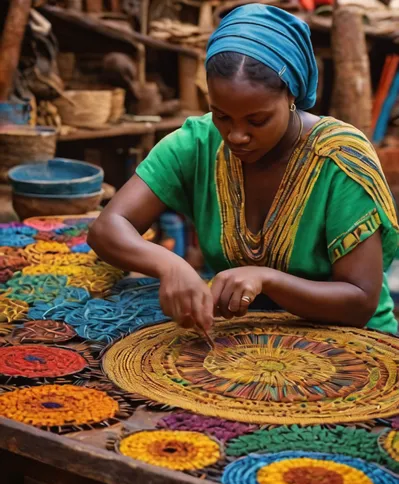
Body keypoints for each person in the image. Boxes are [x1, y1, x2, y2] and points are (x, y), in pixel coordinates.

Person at [88, 4, 399, 335]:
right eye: (221, 116)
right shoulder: (198, 143)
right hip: (241, 336)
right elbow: (107, 228)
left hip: (352, 343)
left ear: (292, 95)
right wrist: (169, 265)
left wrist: (267, 279)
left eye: (258, 120)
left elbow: (360, 301)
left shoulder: (339, 159)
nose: (236, 135)